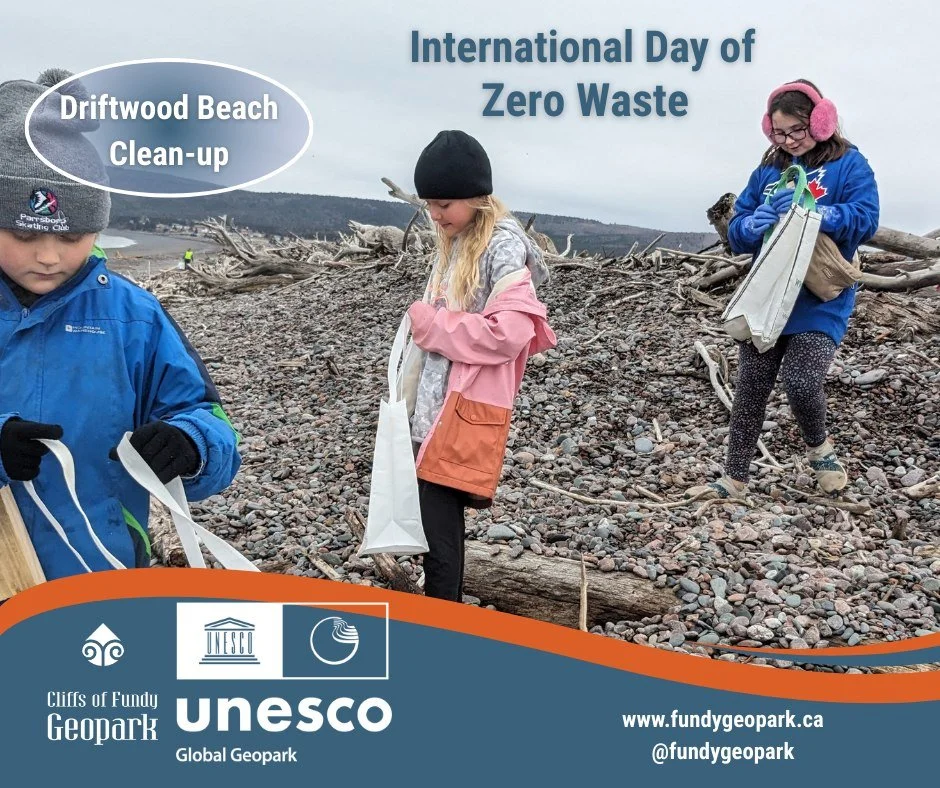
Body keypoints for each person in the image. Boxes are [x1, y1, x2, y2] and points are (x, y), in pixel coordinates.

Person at [0, 69, 241, 581]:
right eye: (23, 234)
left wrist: (189, 444)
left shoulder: (134, 317)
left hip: (97, 572)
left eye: (73, 237)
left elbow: (212, 423)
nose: (48, 256)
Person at [690, 79, 879, 501]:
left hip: (819, 298)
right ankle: (734, 479)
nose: (791, 140)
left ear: (821, 120)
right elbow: (737, 231)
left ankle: (820, 448)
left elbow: (865, 218)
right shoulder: (768, 171)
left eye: (798, 130)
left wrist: (821, 212)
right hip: (768, 294)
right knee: (751, 388)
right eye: (780, 133)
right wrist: (751, 224)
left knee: (801, 380)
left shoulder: (850, 164)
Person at [404, 130, 557, 601]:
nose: (434, 214)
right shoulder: (461, 237)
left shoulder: (499, 246)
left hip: (464, 411)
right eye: (428, 203)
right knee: (432, 522)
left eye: (443, 204)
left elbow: (510, 335)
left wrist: (432, 327)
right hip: (438, 409)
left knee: (439, 530)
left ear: (477, 198)